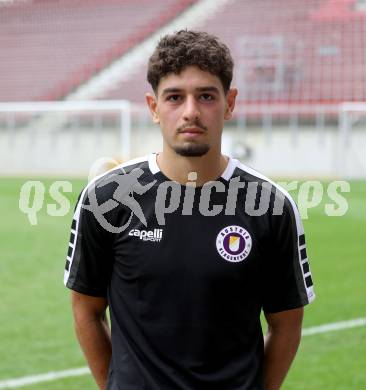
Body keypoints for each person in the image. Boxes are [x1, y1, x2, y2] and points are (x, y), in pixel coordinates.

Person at [64, 30, 315, 390]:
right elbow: (86, 310)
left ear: (229, 103)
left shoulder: (271, 206)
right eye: (174, 97)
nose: (191, 112)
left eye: (206, 96)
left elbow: (287, 323)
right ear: (154, 107)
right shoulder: (108, 198)